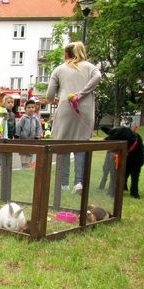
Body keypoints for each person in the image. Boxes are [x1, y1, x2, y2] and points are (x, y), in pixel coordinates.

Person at [46, 41, 102, 194]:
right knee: (81, 145)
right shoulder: (90, 67)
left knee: (63, 145)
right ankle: (79, 182)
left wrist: (58, 97)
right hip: (85, 110)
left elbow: (49, 95)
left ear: (66, 54)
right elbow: (98, 77)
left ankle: (63, 183)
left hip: (65, 108)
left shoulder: (59, 69)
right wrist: (83, 93)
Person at [15, 100, 43, 168]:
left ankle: (28, 165)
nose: (31, 109)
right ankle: (23, 164)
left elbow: (39, 128)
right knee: (23, 152)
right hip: (23, 140)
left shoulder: (35, 119)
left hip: (32, 140)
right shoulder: (23, 118)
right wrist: (17, 135)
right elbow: (19, 126)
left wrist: (37, 136)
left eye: (32, 107)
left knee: (30, 153)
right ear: (25, 109)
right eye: (29, 107)